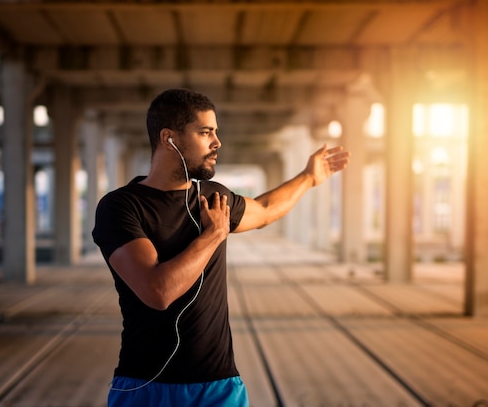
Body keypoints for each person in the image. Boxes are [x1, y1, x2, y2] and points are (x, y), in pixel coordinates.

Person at [92, 88, 349, 406]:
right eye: (205, 132)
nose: (217, 143)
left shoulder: (213, 197)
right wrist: (213, 235)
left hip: (219, 387)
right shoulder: (121, 207)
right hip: (145, 387)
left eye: (216, 132)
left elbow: (266, 209)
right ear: (169, 138)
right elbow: (158, 291)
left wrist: (309, 178)